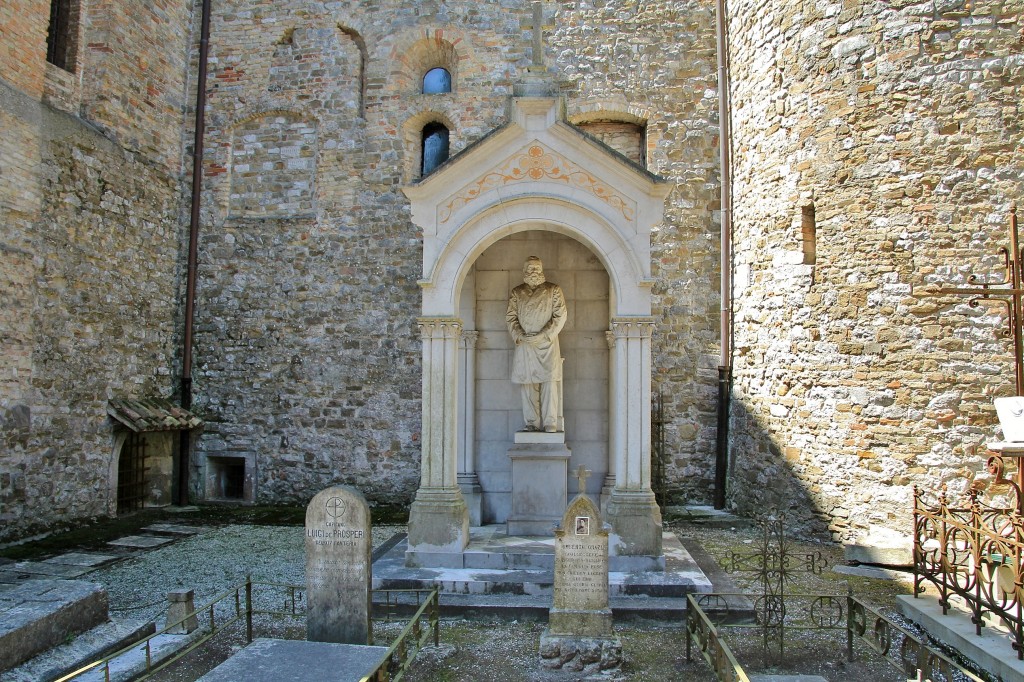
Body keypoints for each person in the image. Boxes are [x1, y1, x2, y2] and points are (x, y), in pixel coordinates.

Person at [505, 256, 567, 432]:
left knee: (549, 383)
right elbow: (510, 317)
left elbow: (560, 316)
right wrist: (519, 335)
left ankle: (550, 422)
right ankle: (531, 422)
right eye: (530, 268)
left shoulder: (553, 290)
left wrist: (543, 335)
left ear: (542, 270)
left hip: (547, 343)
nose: (534, 271)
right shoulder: (517, 292)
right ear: (524, 271)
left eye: (537, 268)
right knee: (528, 383)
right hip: (525, 343)